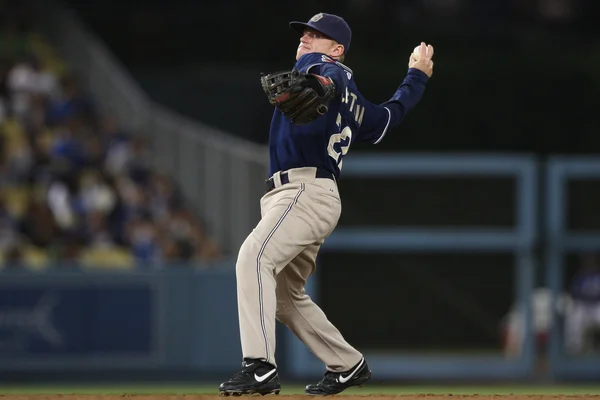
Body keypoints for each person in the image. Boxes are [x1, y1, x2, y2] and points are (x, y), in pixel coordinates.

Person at [219, 12, 434, 396]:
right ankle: (347, 364)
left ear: (337, 49)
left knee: (253, 258)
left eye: (317, 34)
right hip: (304, 197)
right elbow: (384, 120)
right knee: (286, 296)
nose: (305, 37)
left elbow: (330, 78)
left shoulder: (323, 69)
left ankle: (259, 367)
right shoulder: (349, 97)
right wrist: (415, 77)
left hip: (303, 192)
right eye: (305, 32)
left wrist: (320, 80)